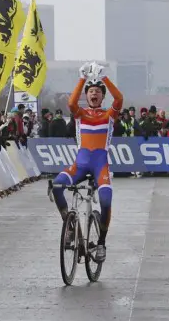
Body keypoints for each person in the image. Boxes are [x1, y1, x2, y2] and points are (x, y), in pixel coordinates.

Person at [51, 62, 123, 263]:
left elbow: (119, 98)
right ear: (87, 95)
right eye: (90, 91)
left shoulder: (109, 114)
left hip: (100, 165)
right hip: (80, 165)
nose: (94, 94)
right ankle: (70, 226)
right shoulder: (80, 114)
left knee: (107, 202)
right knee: (57, 186)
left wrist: (105, 78)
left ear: (102, 96)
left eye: (97, 92)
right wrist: (82, 78)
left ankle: (101, 242)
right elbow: (72, 104)